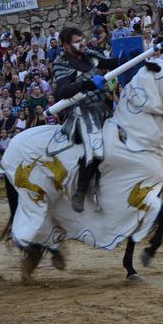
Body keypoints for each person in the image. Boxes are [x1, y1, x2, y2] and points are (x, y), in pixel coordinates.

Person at [52, 27, 116, 212]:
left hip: (103, 107)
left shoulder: (89, 54)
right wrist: (85, 84)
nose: (82, 43)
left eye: (82, 39)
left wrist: (127, 56)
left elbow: (110, 63)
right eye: (77, 41)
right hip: (82, 111)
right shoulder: (61, 63)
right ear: (65, 46)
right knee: (95, 147)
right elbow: (61, 92)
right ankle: (80, 191)